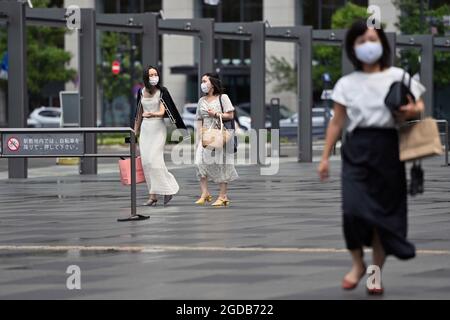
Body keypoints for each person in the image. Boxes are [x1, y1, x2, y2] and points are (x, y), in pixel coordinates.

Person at [317, 20, 426, 295]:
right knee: (352, 211)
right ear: (353, 47)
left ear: (383, 44)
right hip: (357, 149)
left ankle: (374, 275)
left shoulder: (398, 75)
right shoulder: (346, 83)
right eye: (361, 41)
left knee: (383, 219)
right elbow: (336, 122)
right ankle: (357, 264)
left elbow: (419, 105)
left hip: (389, 148)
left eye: (372, 39)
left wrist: (411, 110)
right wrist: (325, 157)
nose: (368, 45)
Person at [134, 65, 180, 206]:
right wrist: (134, 133)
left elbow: (162, 112)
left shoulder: (162, 92)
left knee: (155, 160)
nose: (154, 77)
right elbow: (138, 114)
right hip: (145, 129)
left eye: (156, 74)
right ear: (146, 77)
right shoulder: (141, 92)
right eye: (151, 75)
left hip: (158, 128)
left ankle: (169, 189)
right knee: (146, 163)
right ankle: (152, 195)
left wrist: (152, 114)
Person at [195, 73, 238, 207]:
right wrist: (199, 136)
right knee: (199, 162)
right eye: (202, 81)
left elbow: (230, 115)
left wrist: (216, 114)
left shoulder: (223, 98)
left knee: (221, 164)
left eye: (205, 81)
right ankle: (205, 193)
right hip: (205, 135)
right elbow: (199, 119)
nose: (202, 84)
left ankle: (223, 196)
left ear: (212, 83)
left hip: (219, 134)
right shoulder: (201, 101)